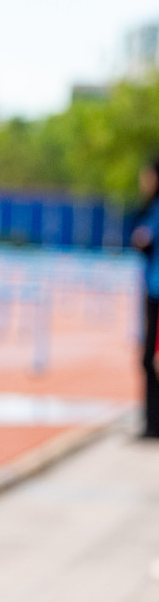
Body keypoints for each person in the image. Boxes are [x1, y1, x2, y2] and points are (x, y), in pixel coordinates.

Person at [127, 159, 159, 439]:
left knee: (150, 358)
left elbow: (143, 239)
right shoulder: (150, 209)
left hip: (157, 291)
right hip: (152, 287)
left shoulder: (155, 210)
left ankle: (153, 423)